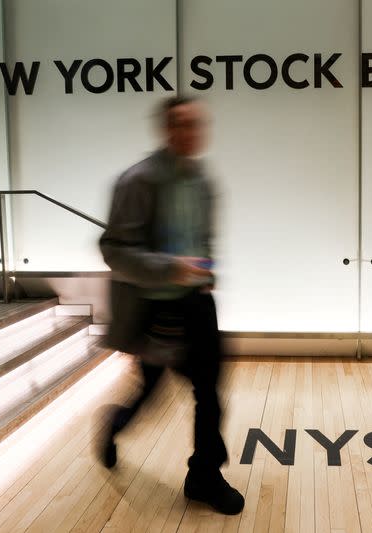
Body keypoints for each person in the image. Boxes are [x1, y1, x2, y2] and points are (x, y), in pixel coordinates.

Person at [97, 96, 244, 515]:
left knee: (210, 392)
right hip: (154, 311)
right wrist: (170, 268)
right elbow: (114, 250)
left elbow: (205, 242)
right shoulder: (137, 181)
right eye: (181, 124)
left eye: (197, 123)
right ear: (165, 129)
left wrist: (206, 271)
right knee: (151, 392)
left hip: (197, 303)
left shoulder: (203, 181)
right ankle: (115, 424)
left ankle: (203, 477)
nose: (191, 131)